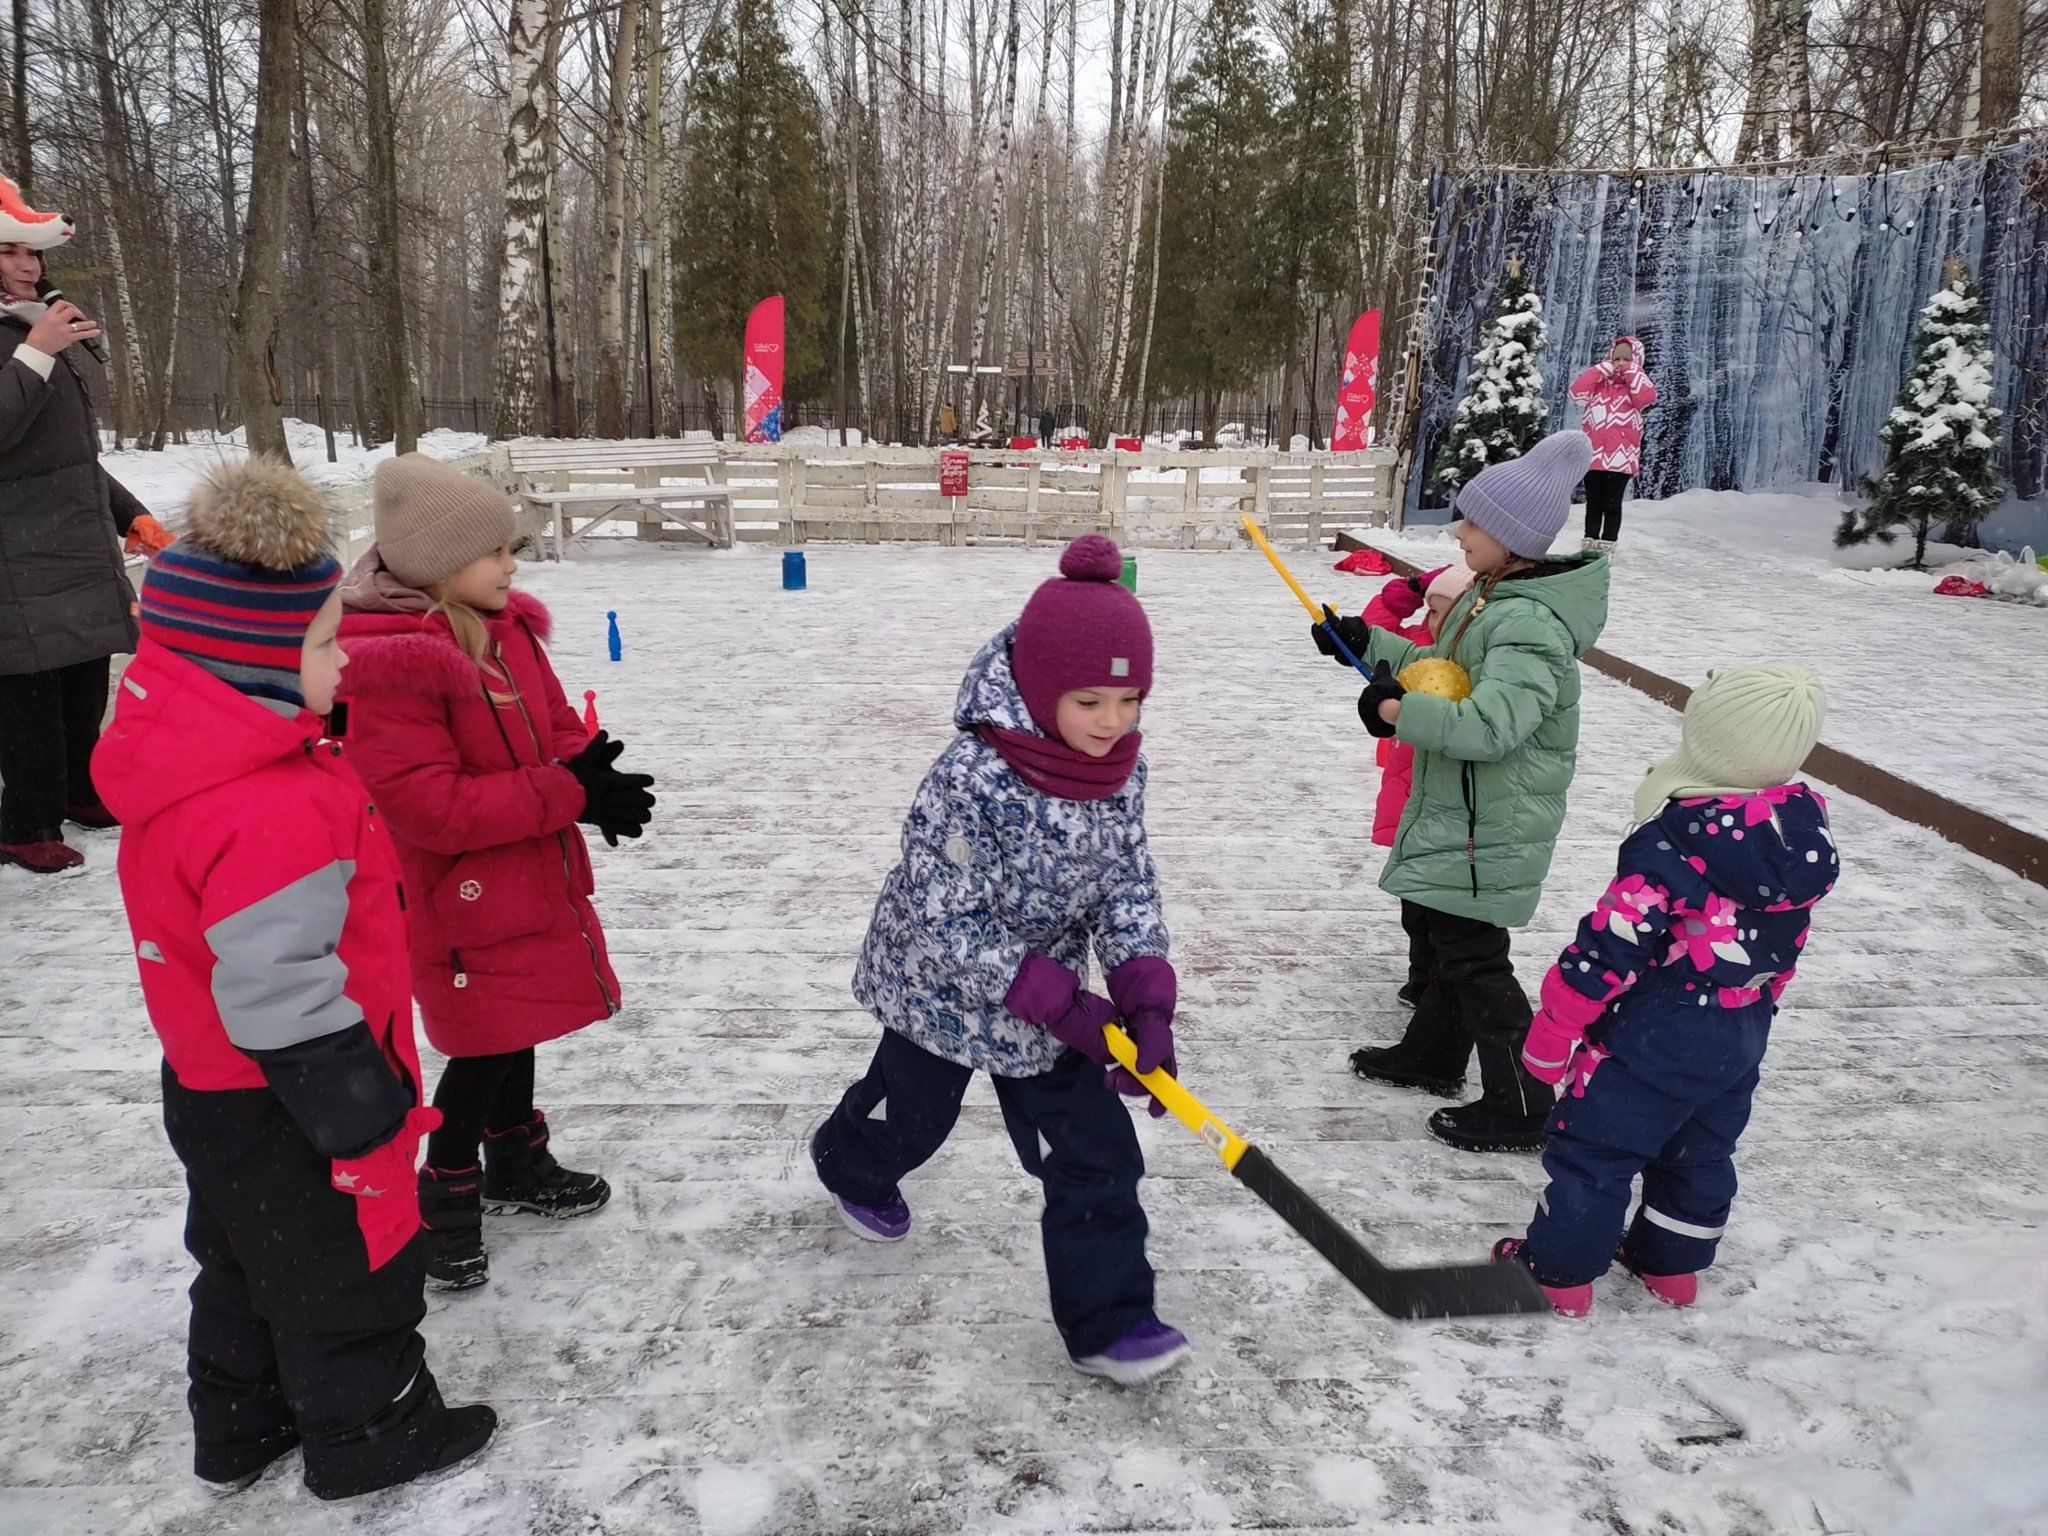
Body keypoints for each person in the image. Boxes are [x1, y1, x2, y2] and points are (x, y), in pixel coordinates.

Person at [90, 457, 496, 1499]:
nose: (344, 666)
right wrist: (355, 1098)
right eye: (321, 645)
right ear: (254, 663)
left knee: (239, 1258)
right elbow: (276, 982)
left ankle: (238, 1426)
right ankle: (370, 1434)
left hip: (210, 1086)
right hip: (296, 1091)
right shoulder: (268, 804)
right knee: (344, 1265)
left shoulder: (177, 757)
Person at [811, 534, 1190, 1384]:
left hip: (1048, 1006)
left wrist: (1143, 994)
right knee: (909, 1123)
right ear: (1040, 687)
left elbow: (1125, 880)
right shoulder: (972, 776)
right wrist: (1057, 998)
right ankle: (847, 1160)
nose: (1113, 722)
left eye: (1130, 699)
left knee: (1096, 1153)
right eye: (1090, 699)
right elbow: (942, 913)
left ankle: (1111, 1323)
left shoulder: (1120, 771)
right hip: (939, 995)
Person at [335, 454, 654, 1292]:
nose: (513, 565)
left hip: (526, 869)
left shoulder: (507, 631)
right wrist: (565, 793)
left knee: (519, 1015)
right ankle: (444, 1193)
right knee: (484, 1039)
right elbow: (428, 807)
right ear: (440, 566)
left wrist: (597, 777)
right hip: (456, 889)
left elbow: (555, 726)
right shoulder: (394, 665)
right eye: (497, 552)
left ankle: (514, 1160)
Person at [1493, 664, 1837, 1316]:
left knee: (1596, 1147)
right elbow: (1789, 929)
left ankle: (1559, 1275)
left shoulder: (1671, 840)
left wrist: (1557, 1026)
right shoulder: (1799, 831)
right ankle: (1670, 1265)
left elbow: (1612, 945)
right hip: (1744, 1022)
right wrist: (1771, 992)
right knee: (1700, 1148)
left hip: (1660, 1026)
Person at [1314, 431, 1609, 1153]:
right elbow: (1441, 665)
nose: (1457, 532)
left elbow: (1489, 725)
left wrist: (1392, 711)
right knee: (1444, 937)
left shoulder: (1530, 625)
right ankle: (1434, 1056)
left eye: (1472, 523)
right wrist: (1368, 644)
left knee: (1475, 959)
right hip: (1462, 814)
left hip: (1489, 826)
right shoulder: (1491, 595)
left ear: (1510, 539)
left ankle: (1524, 1101)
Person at [0, 178, 172, 874]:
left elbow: (70, 457)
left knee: (81, 679)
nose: (27, 265)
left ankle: (78, 790)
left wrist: (130, 512)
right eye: (8, 252)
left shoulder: (26, 325)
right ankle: (24, 823)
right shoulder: (28, 338)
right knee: (30, 696)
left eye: (31, 254)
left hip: (72, 540)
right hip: (16, 553)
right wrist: (37, 350)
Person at [1359, 565, 1478, 1004]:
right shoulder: (1421, 649)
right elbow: (1373, 632)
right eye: (1429, 611)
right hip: (1406, 783)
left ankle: (1437, 977)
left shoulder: (1473, 660)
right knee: (1413, 891)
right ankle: (1420, 973)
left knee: (1440, 895)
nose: (1432, 621)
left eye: (1442, 612)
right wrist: (1408, 591)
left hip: (1443, 790)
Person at [1568, 335, 1657, 553]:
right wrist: (1600, 370)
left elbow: (1646, 397)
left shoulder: (1636, 384)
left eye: (1626, 358)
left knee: (1612, 502)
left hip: (1622, 456)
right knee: (1594, 501)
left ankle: (1608, 541)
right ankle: (1589, 538)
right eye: (1616, 358)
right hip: (1594, 455)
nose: (1620, 363)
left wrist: (1632, 371)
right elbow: (1576, 393)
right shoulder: (1598, 384)